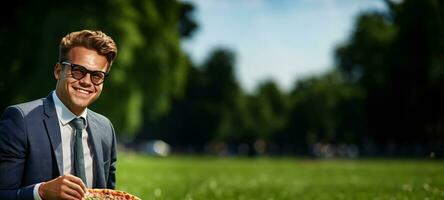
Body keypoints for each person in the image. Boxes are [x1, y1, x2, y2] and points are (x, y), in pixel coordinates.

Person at [0, 30, 118, 200]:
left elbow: (109, 195)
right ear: (58, 71)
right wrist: (40, 192)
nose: (86, 81)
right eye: (77, 70)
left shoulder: (105, 129)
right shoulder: (20, 120)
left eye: (97, 76)